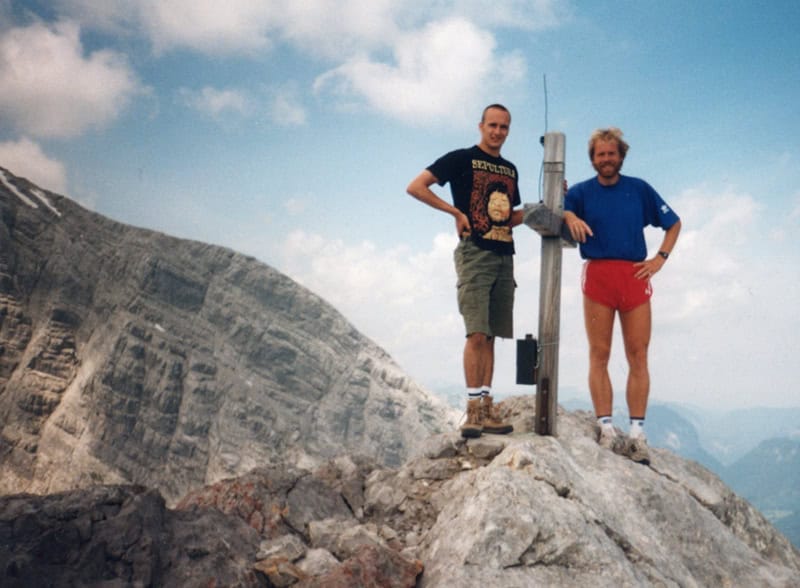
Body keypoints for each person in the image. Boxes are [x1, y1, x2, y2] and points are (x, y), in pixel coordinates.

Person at [563, 127, 681, 465]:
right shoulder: (582, 192)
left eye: (611, 154)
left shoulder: (639, 189)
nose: (606, 160)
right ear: (593, 159)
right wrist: (570, 214)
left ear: (621, 156)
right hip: (598, 275)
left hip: (634, 275)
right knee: (599, 353)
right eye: (600, 155)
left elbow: (673, 223)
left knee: (638, 355)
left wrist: (660, 259)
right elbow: (564, 210)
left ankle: (637, 434)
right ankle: (606, 428)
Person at [406, 104, 522, 438]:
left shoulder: (511, 170)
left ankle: (487, 408)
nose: (498, 132)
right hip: (475, 253)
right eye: (493, 125)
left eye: (504, 127)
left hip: (505, 255)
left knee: (492, 335)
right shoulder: (462, 158)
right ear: (481, 126)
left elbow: (509, 216)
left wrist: (536, 211)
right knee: (475, 332)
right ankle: (472, 411)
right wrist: (455, 213)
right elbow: (416, 186)